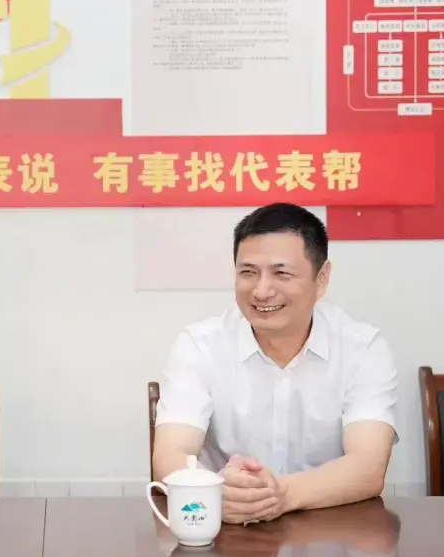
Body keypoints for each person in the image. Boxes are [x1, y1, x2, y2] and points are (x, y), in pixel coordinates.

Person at [151, 203, 398, 524]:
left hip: (330, 532)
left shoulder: (362, 349)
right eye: (248, 273)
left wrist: (280, 495)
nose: (262, 291)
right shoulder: (200, 346)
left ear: (321, 279)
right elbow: (170, 456)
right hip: (226, 531)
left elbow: (368, 466)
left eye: (281, 273)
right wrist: (216, 492)